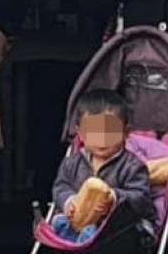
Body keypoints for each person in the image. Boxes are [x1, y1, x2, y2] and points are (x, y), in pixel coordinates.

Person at [48, 90, 154, 242]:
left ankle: (86, 240)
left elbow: (141, 199)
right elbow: (60, 187)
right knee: (59, 221)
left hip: (116, 227)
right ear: (80, 133)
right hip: (80, 220)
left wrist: (113, 197)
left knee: (106, 231)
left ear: (125, 132)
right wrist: (69, 201)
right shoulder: (71, 163)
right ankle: (73, 239)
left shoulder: (133, 166)